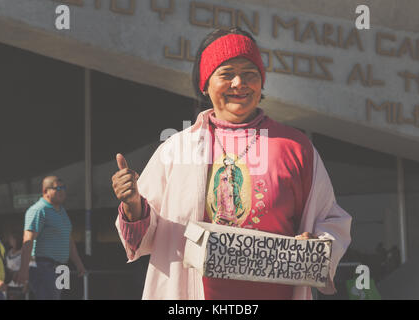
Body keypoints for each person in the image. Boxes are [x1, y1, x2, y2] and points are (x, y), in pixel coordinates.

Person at [112, 27, 352, 299]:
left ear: (261, 82)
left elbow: (331, 220)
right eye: (226, 74)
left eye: (250, 74)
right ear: (205, 84)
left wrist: (318, 245)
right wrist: (133, 205)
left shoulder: (296, 147)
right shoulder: (176, 149)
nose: (239, 83)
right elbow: (143, 241)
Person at [14, 176, 86, 300]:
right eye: (57, 188)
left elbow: (68, 239)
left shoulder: (61, 211)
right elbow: (28, 240)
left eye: (63, 188)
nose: (62, 191)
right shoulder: (38, 210)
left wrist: (78, 263)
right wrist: (23, 269)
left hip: (61, 267)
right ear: (45, 191)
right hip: (44, 266)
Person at [4, 224, 26, 300]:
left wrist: (26, 285)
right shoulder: (9, 252)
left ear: (17, 239)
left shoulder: (24, 253)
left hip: (19, 286)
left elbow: (27, 268)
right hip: (8, 285)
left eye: (12, 239)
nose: (10, 240)